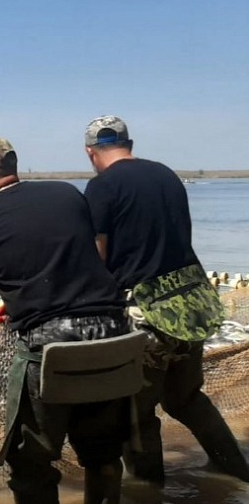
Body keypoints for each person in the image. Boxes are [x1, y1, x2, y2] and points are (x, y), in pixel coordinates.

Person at [0, 136, 134, 504]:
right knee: (103, 454)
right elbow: (73, 255)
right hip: (114, 333)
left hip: (53, 344)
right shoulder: (68, 194)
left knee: (31, 459)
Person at [83, 115, 249, 483]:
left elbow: (98, 255)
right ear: (130, 144)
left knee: (135, 412)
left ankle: (151, 499)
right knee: (185, 398)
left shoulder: (102, 186)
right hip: (191, 306)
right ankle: (235, 469)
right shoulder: (167, 175)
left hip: (147, 315)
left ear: (90, 152)